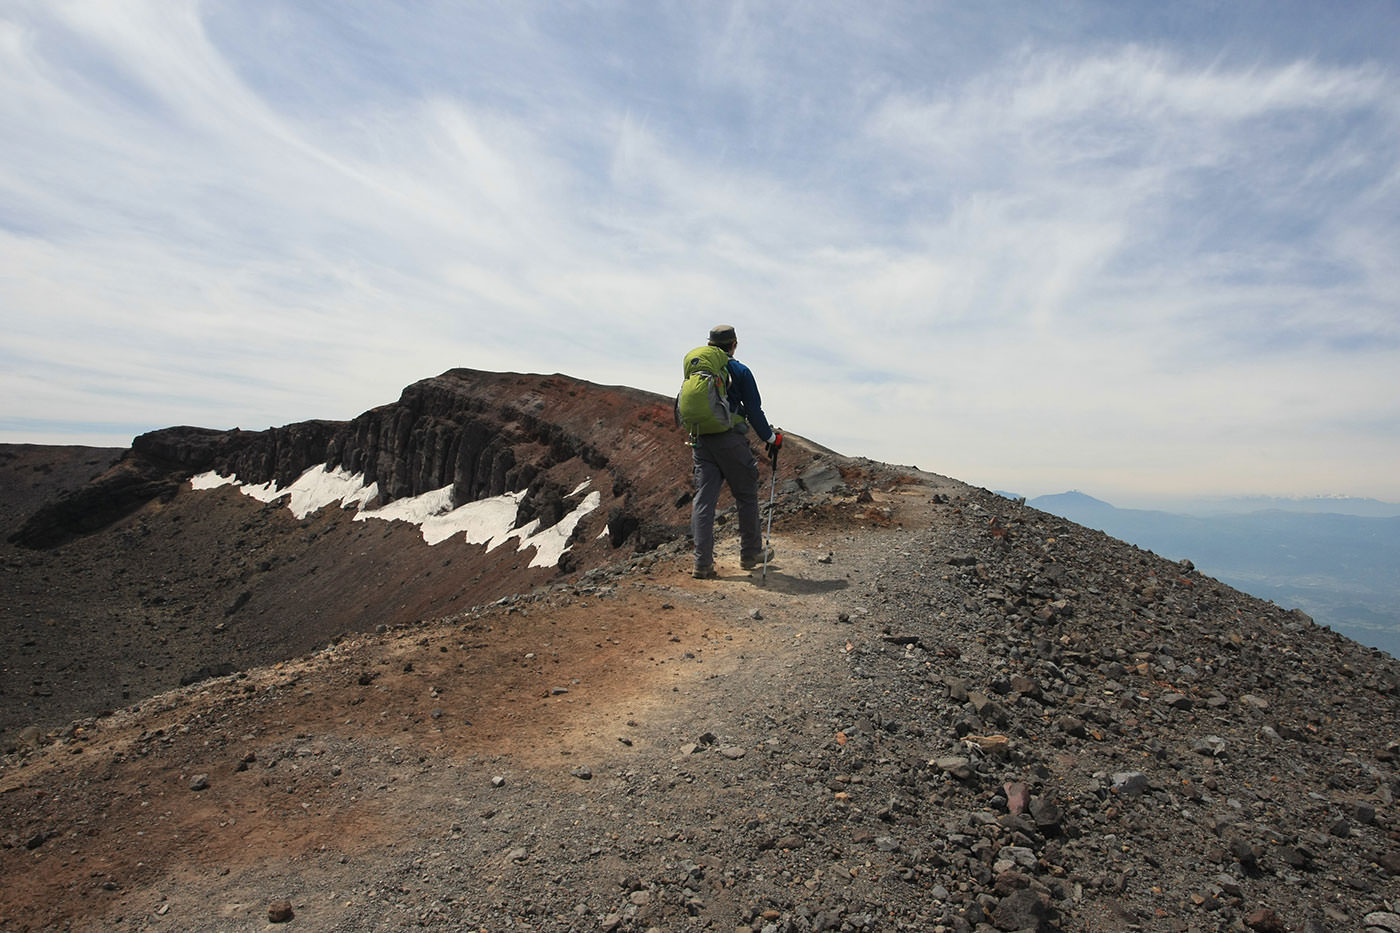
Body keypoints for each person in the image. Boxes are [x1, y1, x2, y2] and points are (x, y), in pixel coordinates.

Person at [687, 324, 782, 578]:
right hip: (730, 440)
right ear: (734, 345)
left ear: (709, 345)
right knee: (746, 494)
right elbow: (753, 410)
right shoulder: (740, 370)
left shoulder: (700, 370)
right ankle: (750, 553)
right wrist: (771, 438)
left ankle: (702, 563)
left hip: (702, 440)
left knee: (704, 499)